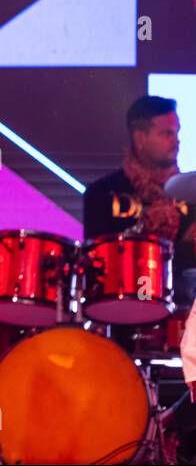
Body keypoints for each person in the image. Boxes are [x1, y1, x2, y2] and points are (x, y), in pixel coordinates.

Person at [83, 95, 194, 309]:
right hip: (122, 312)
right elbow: (97, 268)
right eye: (167, 133)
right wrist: (144, 227)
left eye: (177, 132)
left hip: (184, 317)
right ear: (140, 139)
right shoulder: (102, 193)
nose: (176, 140)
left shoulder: (190, 193)